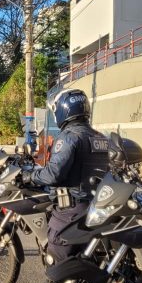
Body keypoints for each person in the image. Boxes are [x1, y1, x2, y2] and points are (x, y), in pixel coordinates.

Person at [22, 89, 109, 261]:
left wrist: (30, 176)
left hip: (71, 211)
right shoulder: (100, 138)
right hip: (95, 208)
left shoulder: (69, 137)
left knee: (56, 258)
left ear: (64, 110)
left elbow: (54, 174)